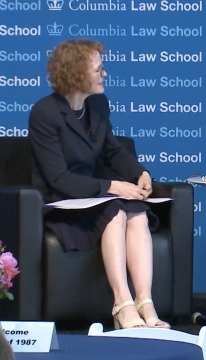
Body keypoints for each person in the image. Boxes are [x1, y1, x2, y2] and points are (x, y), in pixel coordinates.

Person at [28, 39, 170, 330]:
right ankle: (121, 304)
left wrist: (141, 173)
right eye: (98, 69)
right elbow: (59, 179)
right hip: (64, 201)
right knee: (116, 213)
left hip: (96, 196)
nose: (104, 74)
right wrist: (114, 187)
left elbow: (112, 151)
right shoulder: (45, 113)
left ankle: (146, 303)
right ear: (77, 74)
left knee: (137, 212)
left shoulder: (98, 104)